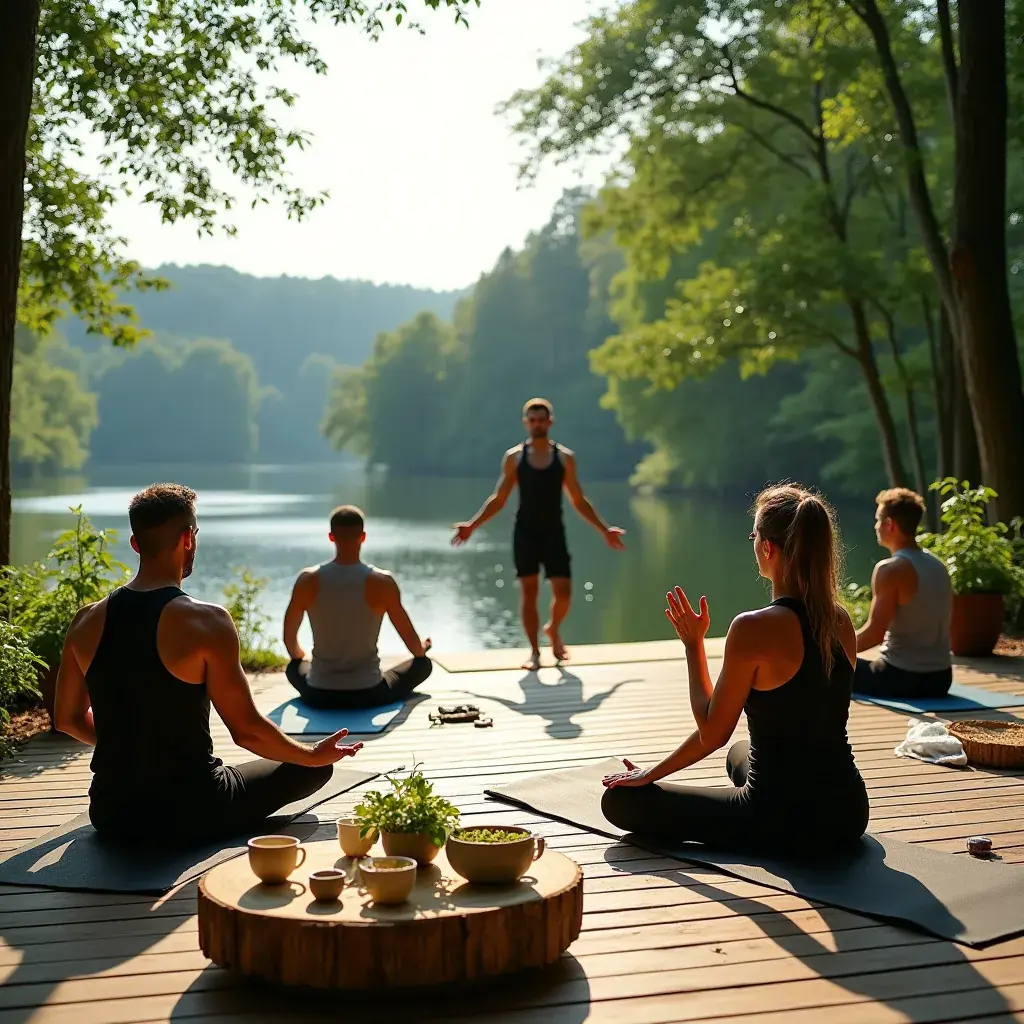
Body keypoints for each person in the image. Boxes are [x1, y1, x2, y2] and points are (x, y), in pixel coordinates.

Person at [53, 484, 362, 844]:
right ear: (188, 538)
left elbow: (67, 719)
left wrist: (126, 745)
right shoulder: (207, 621)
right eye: (195, 533)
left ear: (136, 544)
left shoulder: (85, 620)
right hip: (194, 809)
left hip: (111, 813)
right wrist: (312, 754)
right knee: (313, 769)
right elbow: (246, 731)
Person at [601, 484, 868, 855]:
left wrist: (693, 645)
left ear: (767, 548)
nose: (753, 543)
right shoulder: (840, 620)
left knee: (619, 801)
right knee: (740, 754)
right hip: (848, 813)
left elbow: (712, 733)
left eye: (754, 536)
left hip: (779, 819)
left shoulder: (752, 627)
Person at [451, 398, 626, 670]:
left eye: (542, 420)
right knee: (529, 593)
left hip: (554, 533)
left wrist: (604, 529)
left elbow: (578, 500)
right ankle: (534, 652)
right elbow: (499, 499)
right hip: (525, 534)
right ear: (526, 423)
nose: (537, 424)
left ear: (550, 422)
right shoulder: (515, 458)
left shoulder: (565, 458)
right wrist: (472, 525)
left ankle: (553, 629)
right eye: (532, 420)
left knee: (564, 593)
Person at [283, 505, 433, 710]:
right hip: (369, 692)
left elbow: (289, 640)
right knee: (424, 665)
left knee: (293, 667)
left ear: (331, 537)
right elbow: (414, 648)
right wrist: (422, 648)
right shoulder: (383, 582)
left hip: (319, 693)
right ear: (363, 537)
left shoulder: (307, 580)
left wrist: (302, 658)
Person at [854, 488, 952, 698]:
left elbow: (874, 634)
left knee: (829, 665)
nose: (876, 526)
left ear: (890, 524)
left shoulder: (890, 569)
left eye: (878, 520)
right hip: (941, 678)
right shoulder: (938, 565)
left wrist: (832, 650)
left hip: (900, 677)